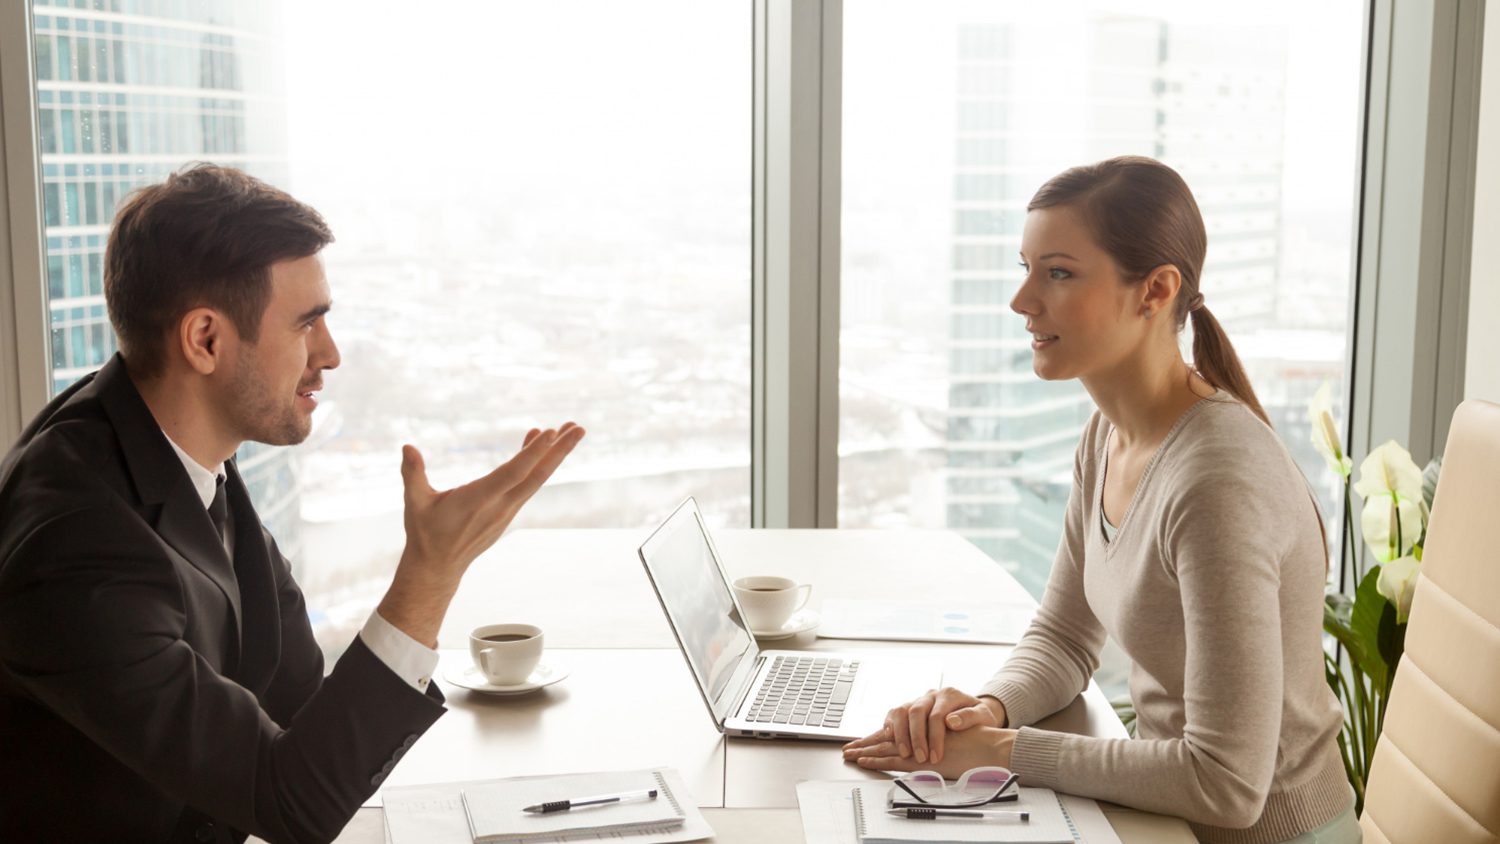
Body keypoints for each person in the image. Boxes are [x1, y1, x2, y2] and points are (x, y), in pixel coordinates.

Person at [0, 164, 585, 843]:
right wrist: (430, 575)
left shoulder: (177, 443)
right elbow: (292, 805)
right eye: (307, 325)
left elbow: (301, 705)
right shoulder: (76, 548)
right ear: (206, 340)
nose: (330, 355)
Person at [842, 156, 1359, 844]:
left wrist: (1003, 753)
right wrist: (986, 710)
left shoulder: (1216, 482)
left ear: (1155, 291)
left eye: (1057, 273)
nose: (1022, 300)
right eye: (1026, 269)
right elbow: (1063, 637)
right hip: (1166, 822)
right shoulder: (1108, 435)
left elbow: (1228, 783)